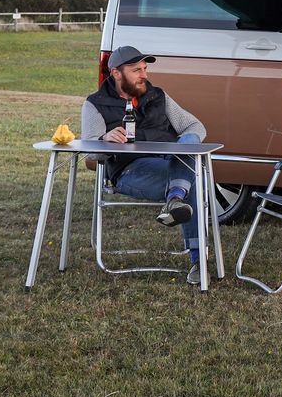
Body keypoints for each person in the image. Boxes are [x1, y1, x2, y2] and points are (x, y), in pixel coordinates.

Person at [81, 45, 208, 284]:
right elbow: (89, 152)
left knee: (189, 156)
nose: (144, 75)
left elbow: (196, 126)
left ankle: (175, 199)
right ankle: (198, 258)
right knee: (192, 177)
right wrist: (103, 140)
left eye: (145, 68)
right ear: (116, 73)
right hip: (130, 170)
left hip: (170, 162)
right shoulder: (95, 104)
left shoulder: (157, 96)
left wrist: (185, 143)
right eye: (136, 70)